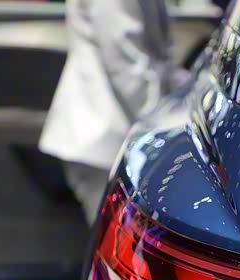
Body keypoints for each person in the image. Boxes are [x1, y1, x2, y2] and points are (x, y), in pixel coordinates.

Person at [40, 0, 186, 221]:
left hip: (119, 137)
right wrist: (172, 129)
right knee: (115, 234)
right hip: (103, 137)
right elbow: (128, 70)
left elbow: (158, 63)